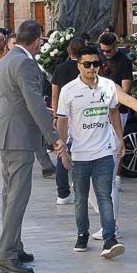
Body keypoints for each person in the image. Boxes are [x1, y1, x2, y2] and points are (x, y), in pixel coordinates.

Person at [0, 19, 63, 273]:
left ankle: (14, 245)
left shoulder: (8, 59)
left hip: (8, 134)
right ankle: (7, 254)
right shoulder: (24, 63)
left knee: (9, 195)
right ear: (36, 40)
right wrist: (54, 136)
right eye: (40, 42)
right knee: (17, 197)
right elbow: (34, 103)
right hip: (19, 137)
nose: (40, 46)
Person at [57, 45, 125, 259]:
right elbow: (62, 121)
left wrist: (120, 139)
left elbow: (114, 112)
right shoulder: (68, 91)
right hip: (79, 155)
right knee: (81, 198)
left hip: (104, 152)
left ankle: (109, 239)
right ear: (79, 66)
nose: (92, 68)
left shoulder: (107, 86)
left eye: (96, 64)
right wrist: (63, 150)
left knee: (105, 196)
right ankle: (82, 233)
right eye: (87, 64)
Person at [50, 38, 82, 204]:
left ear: (69, 52)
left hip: (63, 115)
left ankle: (62, 193)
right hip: (81, 115)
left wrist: (55, 115)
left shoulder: (60, 68)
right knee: (81, 151)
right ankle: (79, 187)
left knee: (62, 151)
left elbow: (54, 94)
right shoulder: (85, 69)